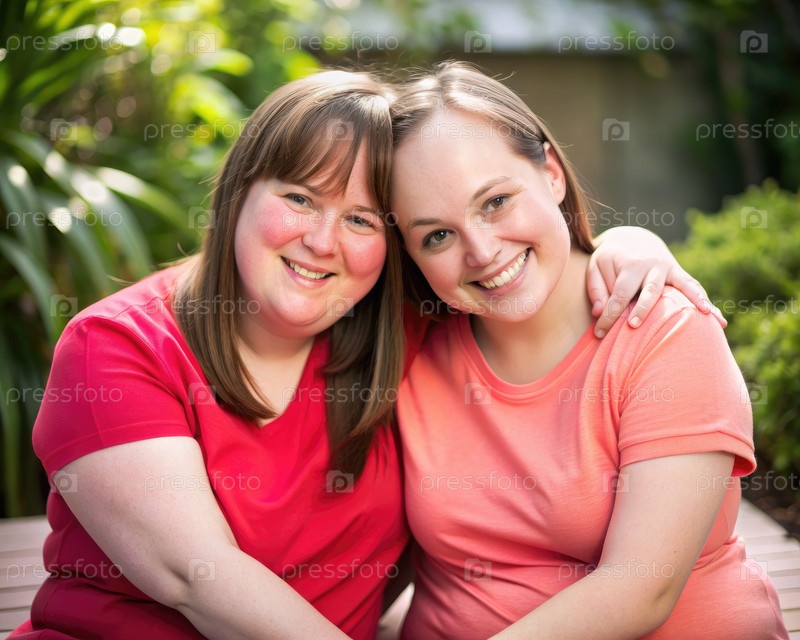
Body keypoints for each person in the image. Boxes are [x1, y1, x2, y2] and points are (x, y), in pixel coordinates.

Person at [14, 67, 722, 640]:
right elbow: (194, 577)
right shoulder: (119, 348)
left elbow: (515, 273)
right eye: (300, 198)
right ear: (237, 192)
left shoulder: (396, 334)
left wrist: (628, 245)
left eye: (359, 219)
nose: (324, 242)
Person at [389, 61, 789, 640]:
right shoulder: (413, 347)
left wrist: (632, 237)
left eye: (495, 202)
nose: (481, 251)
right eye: (437, 235)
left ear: (551, 174)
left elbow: (640, 590)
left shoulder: (662, 329)